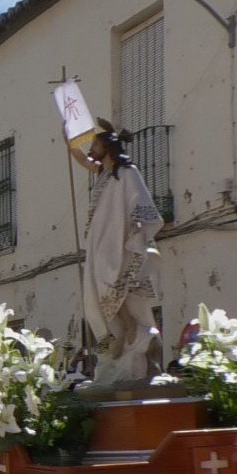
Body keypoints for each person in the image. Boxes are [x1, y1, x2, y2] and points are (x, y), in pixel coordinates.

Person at [70, 119, 164, 385]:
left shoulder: (127, 171)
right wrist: (69, 136)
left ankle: (131, 330)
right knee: (98, 292)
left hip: (118, 238)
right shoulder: (102, 173)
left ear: (107, 146)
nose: (91, 149)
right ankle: (113, 341)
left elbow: (139, 199)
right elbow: (80, 158)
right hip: (99, 242)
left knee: (115, 283)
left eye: (95, 144)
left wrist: (136, 224)